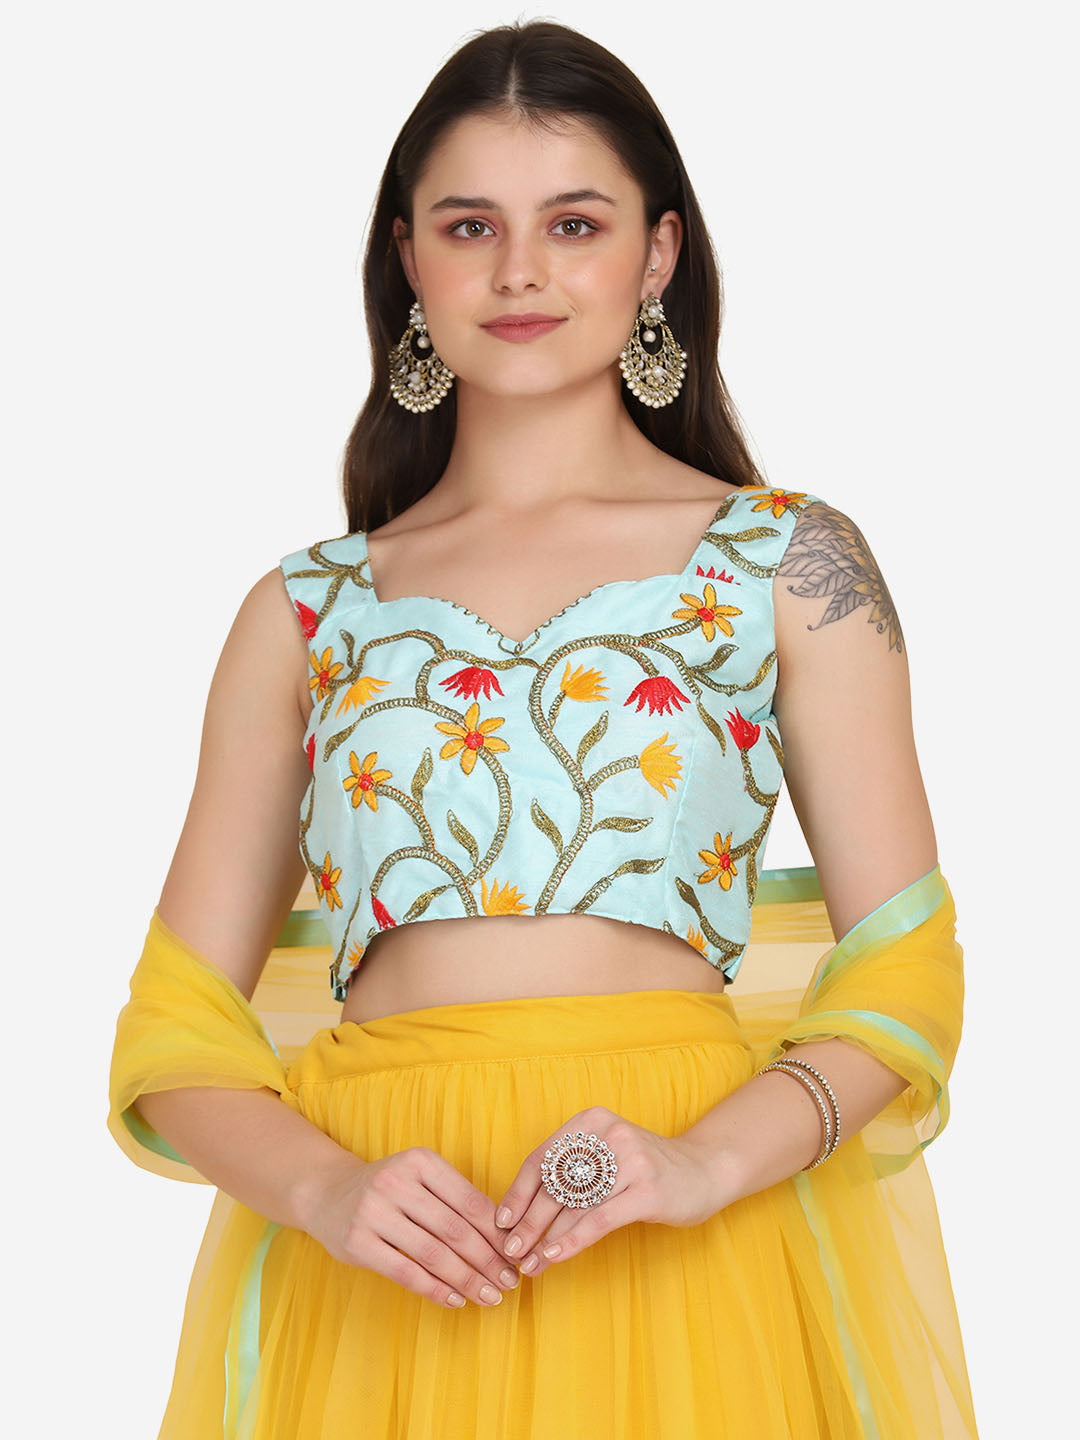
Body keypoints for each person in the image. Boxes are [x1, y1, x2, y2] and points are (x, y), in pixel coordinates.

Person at [107, 18, 980, 1438]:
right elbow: (177, 1029)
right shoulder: (308, 609)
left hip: (685, 1243)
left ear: (658, 254)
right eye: (471, 226)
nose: (519, 271)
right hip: (389, 1260)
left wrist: (703, 1166)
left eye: (575, 223)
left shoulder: (789, 563)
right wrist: (324, 1188)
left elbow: (906, 968)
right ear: (409, 258)